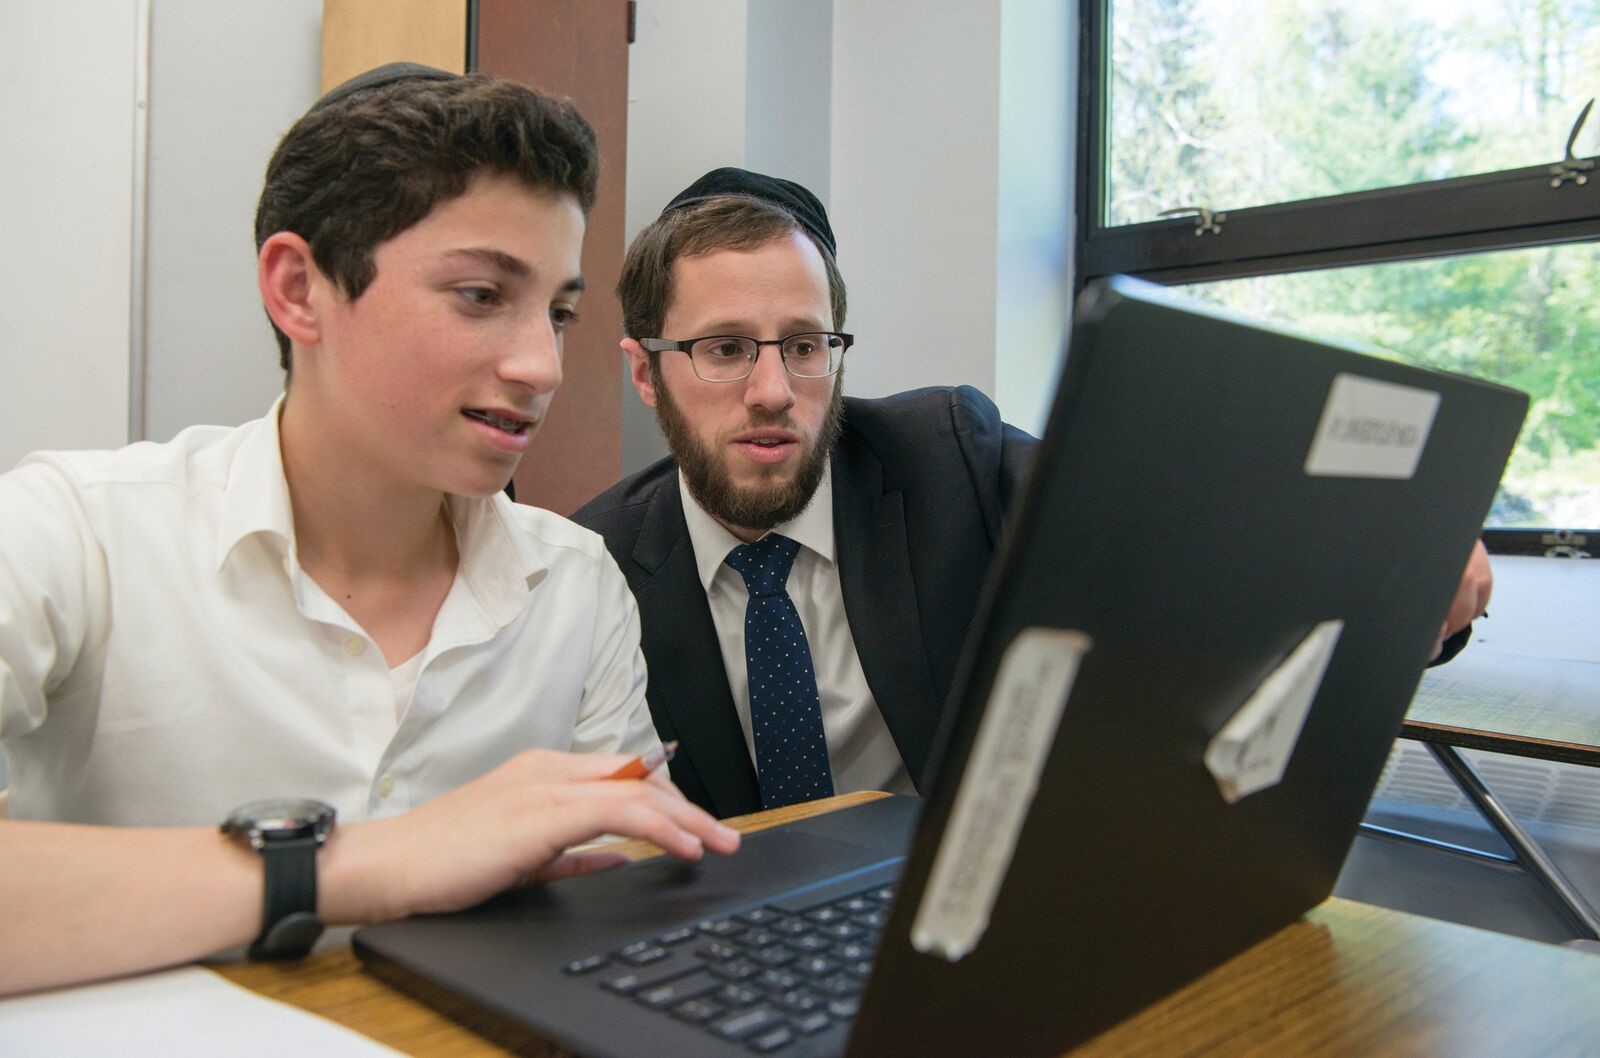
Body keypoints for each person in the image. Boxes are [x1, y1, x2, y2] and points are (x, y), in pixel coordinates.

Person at [0, 64, 736, 998]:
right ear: (299, 289)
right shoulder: (76, 534)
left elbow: (614, 902)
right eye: (479, 294)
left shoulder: (576, 587)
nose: (540, 364)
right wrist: (359, 867)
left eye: (557, 313)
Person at [573, 166, 1489, 819]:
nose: (773, 389)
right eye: (725, 348)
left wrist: (1391, 568)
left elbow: (1165, 536)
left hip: (945, 930)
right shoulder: (592, 567)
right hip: (722, 954)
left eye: (805, 346)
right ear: (645, 375)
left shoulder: (945, 459)